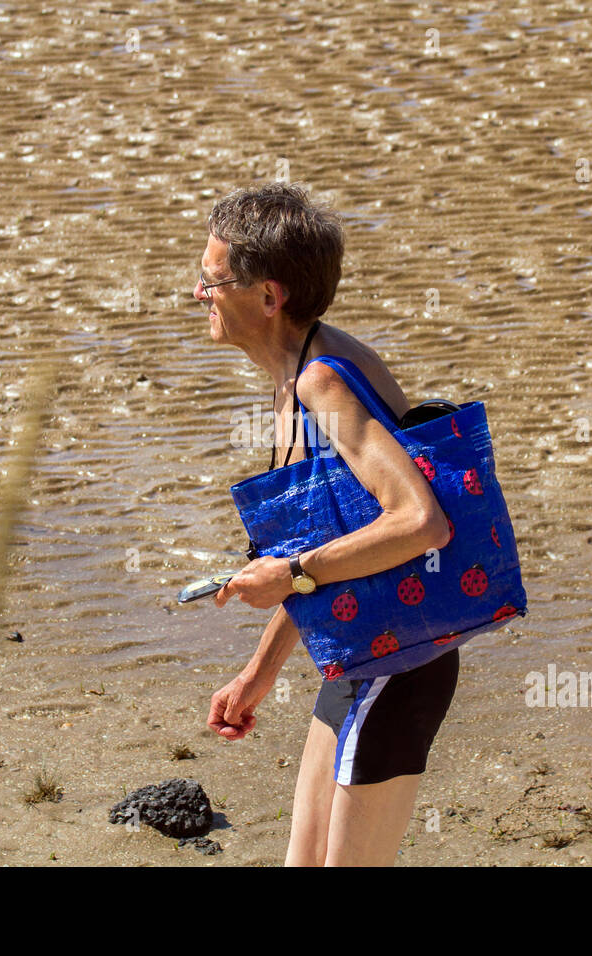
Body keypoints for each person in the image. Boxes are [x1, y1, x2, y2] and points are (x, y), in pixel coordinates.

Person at [196, 183, 457, 866]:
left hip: (399, 663)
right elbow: (331, 546)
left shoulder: (323, 382)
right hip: (359, 654)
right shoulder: (294, 375)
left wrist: (289, 572)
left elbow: (420, 523)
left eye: (212, 279)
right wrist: (257, 674)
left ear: (268, 296)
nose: (200, 294)